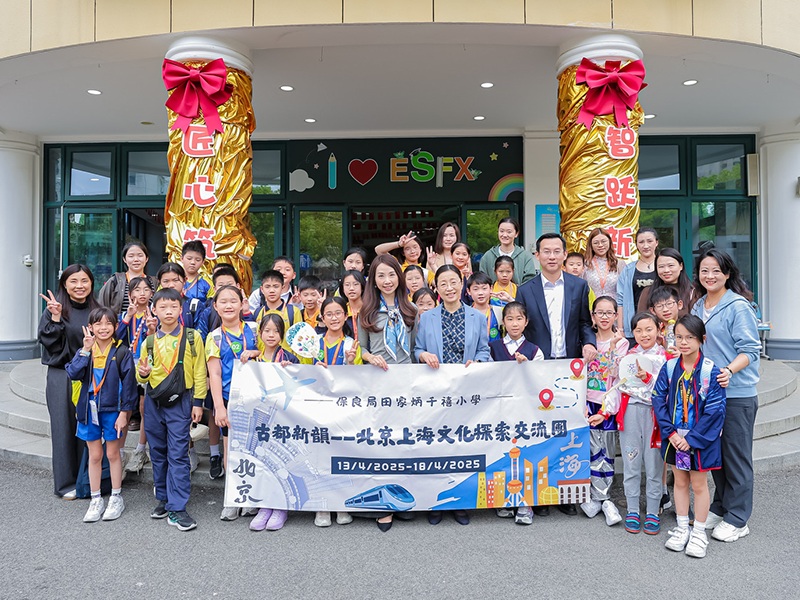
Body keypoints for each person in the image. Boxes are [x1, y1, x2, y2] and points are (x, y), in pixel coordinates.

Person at [691, 248, 760, 543]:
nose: (710, 276)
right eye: (704, 271)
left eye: (716, 271)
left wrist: (729, 371)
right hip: (708, 395)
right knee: (716, 454)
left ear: (727, 274)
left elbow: (751, 349)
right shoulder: (698, 306)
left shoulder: (738, 306)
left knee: (736, 456)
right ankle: (720, 507)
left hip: (736, 394)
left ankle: (738, 518)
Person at [416, 264, 490, 527]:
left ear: (462, 283)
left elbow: (484, 351)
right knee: (437, 445)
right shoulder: (427, 318)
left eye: (454, 282)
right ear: (436, 287)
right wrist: (424, 355)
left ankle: (459, 502)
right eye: (443, 283)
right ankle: (435, 502)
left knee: (462, 446)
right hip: (436, 392)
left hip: (466, 392)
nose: (449, 288)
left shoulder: (477, 317)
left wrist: (478, 362)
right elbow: (417, 349)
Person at [653, 315, 727, 558]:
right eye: (679, 337)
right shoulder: (669, 367)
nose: (683, 342)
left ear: (702, 339)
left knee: (699, 484)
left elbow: (715, 410)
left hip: (699, 440)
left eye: (689, 337)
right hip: (675, 438)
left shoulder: (710, 371)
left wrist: (691, 439)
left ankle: (699, 532)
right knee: (680, 482)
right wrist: (671, 433)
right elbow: (658, 399)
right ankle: (683, 527)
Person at [357, 255, 419, 531]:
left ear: (399, 277)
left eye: (391, 274)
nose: (387, 280)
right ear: (373, 280)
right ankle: (384, 506)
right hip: (378, 386)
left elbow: (415, 349)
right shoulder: (367, 312)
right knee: (382, 443)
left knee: (404, 442)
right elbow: (361, 347)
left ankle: (403, 496)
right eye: (380, 275)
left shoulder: (412, 309)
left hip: (406, 386)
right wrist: (369, 357)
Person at [137, 288, 206, 531]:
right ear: (154, 310)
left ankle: (178, 508)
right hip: (154, 402)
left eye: (173, 306)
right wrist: (142, 373)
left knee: (178, 454)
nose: (169, 311)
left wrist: (198, 402)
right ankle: (164, 498)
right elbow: (141, 376)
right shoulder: (149, 341)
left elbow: (200, 370)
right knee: (157, 452)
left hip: (181, 401)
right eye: (163, 307)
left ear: (180, 309)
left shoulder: (192, 337)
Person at [65, 308, 137, 522]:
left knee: (113, 454)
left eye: (108, 323)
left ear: (116, 326)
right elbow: (73, 373)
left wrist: (124, 414)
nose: (103, 328)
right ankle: (96, 499)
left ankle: (116, 497)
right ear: (90, 327)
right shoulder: (86, 350)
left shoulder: (122, 352)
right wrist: (85, 350)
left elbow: (129, 387)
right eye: (98, 324)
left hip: (113, 411)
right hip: (89, 410)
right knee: (95, 455)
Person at [38, 264, 102, 499]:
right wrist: (55, 318)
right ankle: (65, 484)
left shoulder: (97, 310)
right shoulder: (55, 309)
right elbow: (50, 345)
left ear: (91, 283)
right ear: (64, 284)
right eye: (73, 281)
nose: (79, 286)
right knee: (64, 429)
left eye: (84, 280)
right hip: (62, 375)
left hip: (90, 376)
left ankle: (88, 480)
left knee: (89, 430)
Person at [305, 296, 361, 528]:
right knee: (319, 456)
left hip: (342, 409)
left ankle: (341, 503)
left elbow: (359, 380)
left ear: (345, 316)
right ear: (322, 317)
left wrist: (350, 363)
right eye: (329, 314)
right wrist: (312, 369)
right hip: (316, 407)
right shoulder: (312, 343)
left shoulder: (352, 345)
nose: (334, 318)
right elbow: (300, 371)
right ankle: (322, 505)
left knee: (341, 456)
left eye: (338, 313)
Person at [239, 313, 298, 531]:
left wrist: (290, 370)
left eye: (276, 331)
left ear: (282, 335)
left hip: (283, 421)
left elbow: (299, 386)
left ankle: (280, 507)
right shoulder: (253, 361)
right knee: (262, 461)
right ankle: (264, 506)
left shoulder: (290, 359)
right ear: (260, 334)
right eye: (267, 331)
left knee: (279, 461)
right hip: (259, 419)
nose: (271, 335)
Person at [205, 285, 260, 522]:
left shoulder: (255, 330)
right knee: (230, 448)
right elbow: (215, 374)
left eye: (233, 301)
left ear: (242, 304)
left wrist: (255, 352)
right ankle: (233, 497)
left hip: (256, 398)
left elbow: (270, 352)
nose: (228, 305)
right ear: (215, 307)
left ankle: (251, 496)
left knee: (254, 447)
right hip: (230, 399)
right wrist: (219, 407)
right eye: (223, 302)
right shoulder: (214, 337)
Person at [488, 301, 543, 525]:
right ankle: (503, 499)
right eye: (509, 319)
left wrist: (527, 366)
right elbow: (486, 377)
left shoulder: (534, 351)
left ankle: (524, 503)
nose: (514, 323)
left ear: (526, 322)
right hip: (499, 413)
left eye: (519, 319)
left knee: (525, 456)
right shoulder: (493, 347)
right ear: (503, 322)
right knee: (500, 455)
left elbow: (541, 382)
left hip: (525, 414)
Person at [617, 312, 667, 535]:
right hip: (630, 412)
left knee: (655, 464)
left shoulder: (666, 357)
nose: (644, 334)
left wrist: (647, 378)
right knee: (631, 461)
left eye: (649, 329)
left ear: (659, 329)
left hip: (655, 416)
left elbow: (666, 389)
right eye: (638, 330)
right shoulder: (628, 355)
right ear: (633, 333)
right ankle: (633, 510)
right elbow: (619, 383)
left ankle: (653, 511)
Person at [582, 296, 628, 526]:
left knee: (606, 452)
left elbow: (618, 375)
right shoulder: (586, 343)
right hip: (586, 402)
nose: (604, 317)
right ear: (592, 316)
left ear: (616, 316)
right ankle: (596, 496)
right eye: (599, 312)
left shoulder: (622, 343)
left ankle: (604, 498)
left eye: (609, 313)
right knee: (590, 451)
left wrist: (606, 411)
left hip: (607, 404)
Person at [116, 276, 157, 473]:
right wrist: (127, 318)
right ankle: (120, 452)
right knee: (124, 407)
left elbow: (157, 344)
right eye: (137, 290)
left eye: (146, 289)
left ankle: (141, 450)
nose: (142, 293)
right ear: (129, 294)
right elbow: (114, 339)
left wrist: (152, 329)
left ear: (152, 293)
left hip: (146, 365)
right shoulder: (123, 315)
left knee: (143, 407)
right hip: (125, 365)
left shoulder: (155, 314)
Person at [616, 227, 659, 340]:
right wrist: (621, 329)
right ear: (636, 245)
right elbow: (620, 300)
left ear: (656, 243)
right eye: (641, 242)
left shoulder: (663, 267)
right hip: (634, 326)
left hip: (660, 325)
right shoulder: (628, 270)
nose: (646, 245)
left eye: (649, 241)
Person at [196, 266, 256, 342]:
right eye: (221, 285)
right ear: (214, 289)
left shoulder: (243, 307)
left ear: (237, 286)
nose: (225, 288)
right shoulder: (208, 312)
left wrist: (246, 312)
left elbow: (254, 336)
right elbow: (201, 338)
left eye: (230, 284)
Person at [98, 241, 156, 315]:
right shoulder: (115, 281)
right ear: (124, 259)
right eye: (131, 256)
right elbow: (101, 308)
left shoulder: (154, 282)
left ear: (146, 259)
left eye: (140, 255)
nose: (136, 259)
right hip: (121, 322)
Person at [636, 247, 695, 315]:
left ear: (681, 266)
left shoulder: (692, 293)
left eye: (671, 265)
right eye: (661, 266)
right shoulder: (648, 292)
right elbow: (641, 318)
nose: (666, 270)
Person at [478, 217, 537, 285]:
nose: (505, 235)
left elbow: (530, 280)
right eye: (501, 231)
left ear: (516, 233)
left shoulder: (525, 256)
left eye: (509, 232)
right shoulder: (488, 256)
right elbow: (482, 280)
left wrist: (518, 289)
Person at [254, 270, 302, 351]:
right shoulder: (257, 312)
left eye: (276, 286)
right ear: (262, 289)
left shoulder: (293, 311)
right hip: (263, 358)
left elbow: (300, 341)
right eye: (267, 287)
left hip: (287, 358)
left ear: (282, 288)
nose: (271, 290)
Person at [582, 228, 620, 299]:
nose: (600, 245)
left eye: (603, 241)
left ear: (609, 242)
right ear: (591, 245)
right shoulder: (585, 264)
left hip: (614, 304)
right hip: (591, 304)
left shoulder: (619, 263)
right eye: (596, 243)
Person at [467, 272, 503, 343]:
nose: (480, 293)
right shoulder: (465, 314)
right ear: (469, 291)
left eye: (484, 288)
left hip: (495, 349)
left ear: (491, 288)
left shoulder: (499, 312)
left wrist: (509, 300)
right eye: (476, 289)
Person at [649, 286, 683, 359]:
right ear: (653, 310)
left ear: (679, 305)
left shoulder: (687, 327)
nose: (665, 309)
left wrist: (684, 355)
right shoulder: (654, 330)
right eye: (659, 306)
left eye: (669, 304)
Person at [340, 270, 366, 344]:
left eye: (355, 284)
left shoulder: (369, 310)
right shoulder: (341, 311)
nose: (351, 288)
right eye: (347, 285)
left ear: (362, 287)